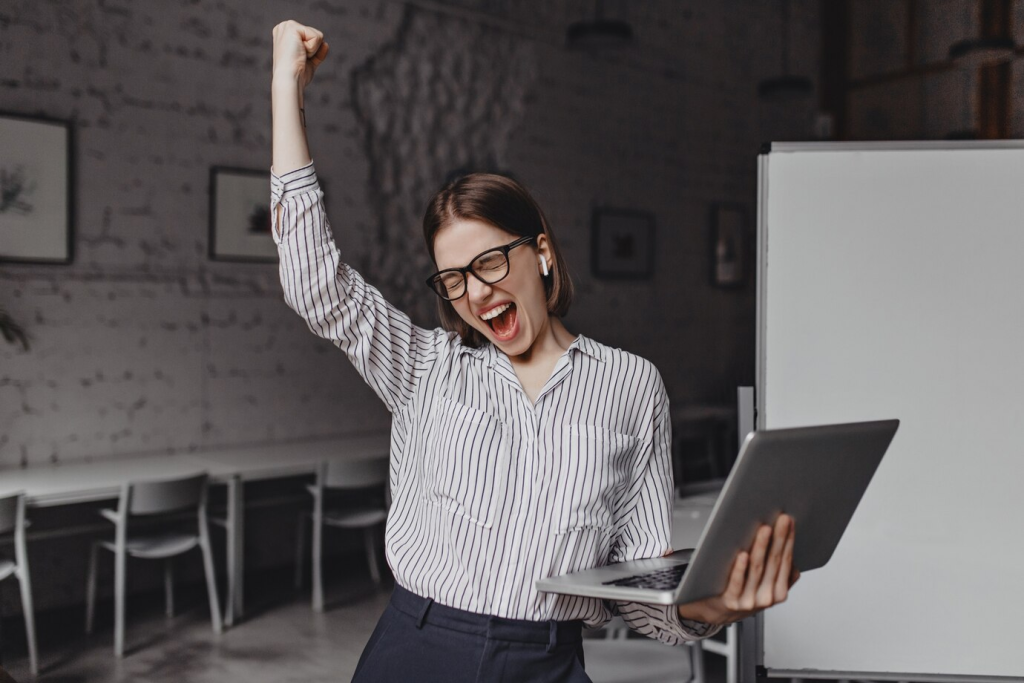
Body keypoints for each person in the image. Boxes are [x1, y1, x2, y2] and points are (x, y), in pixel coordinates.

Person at [270, 19, 799, 683]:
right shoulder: (425, 367)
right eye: (454, 278)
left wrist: (713, 603)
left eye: (490, 261)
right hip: (419, 648)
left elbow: (642, 596)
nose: (475, 291)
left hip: (548, 661)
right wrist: (285, 84)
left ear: (541, 252)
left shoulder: (632, 386)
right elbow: (316, 286)